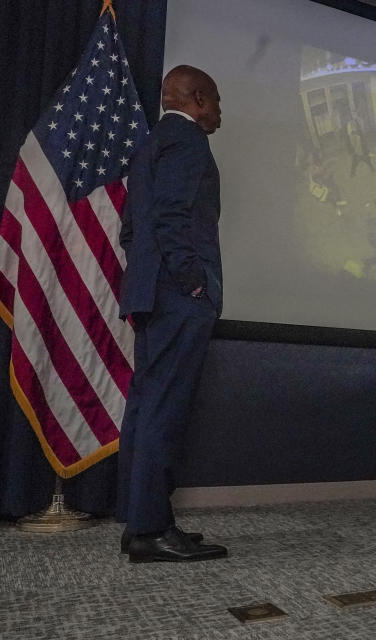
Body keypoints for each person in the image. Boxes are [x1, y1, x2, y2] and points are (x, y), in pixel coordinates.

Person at [116, 65, 228, 563]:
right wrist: (194, 282)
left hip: (147, 294)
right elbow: (170, 218)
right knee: (164, 409)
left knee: (146, 408)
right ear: (198, 99)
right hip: (177, 295)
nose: (221, 112)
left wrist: (150, 280)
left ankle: (143, 521)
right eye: (218, 102)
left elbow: (130, 230)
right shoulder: (188, 142)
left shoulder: (147, 145)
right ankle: (149, 530)